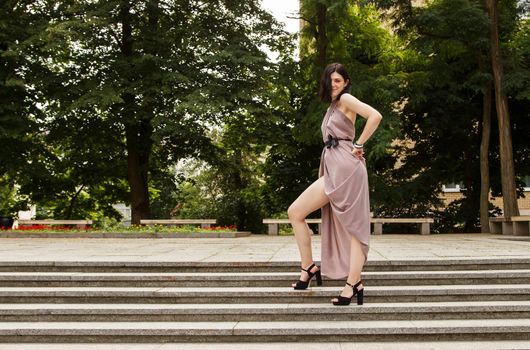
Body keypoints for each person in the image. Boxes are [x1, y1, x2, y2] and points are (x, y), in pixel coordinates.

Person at [288, 63, 382, 306]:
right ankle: (308, 268)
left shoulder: (347, 99)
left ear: (346, 82)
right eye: (330, 80)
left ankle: (353, 284)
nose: (333, 84)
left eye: (338, 80)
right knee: (295, 212)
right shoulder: (332, 106)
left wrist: (359, 144)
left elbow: (375, 116)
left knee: (354, 228)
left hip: (348, 168)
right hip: (333, 168)